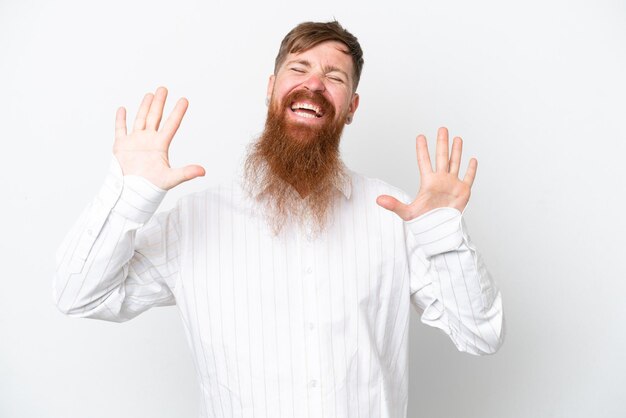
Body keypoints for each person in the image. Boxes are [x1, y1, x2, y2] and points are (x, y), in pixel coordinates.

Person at [54, 21, 503, 418]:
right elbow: (79, 296)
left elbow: (480, 335)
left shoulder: (396, 213)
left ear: (351, 107)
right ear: (270, 88)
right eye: (299, 68)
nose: (314, 84)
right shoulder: (193, 221)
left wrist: (442, 230)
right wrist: (131, 195)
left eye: (334, 77)